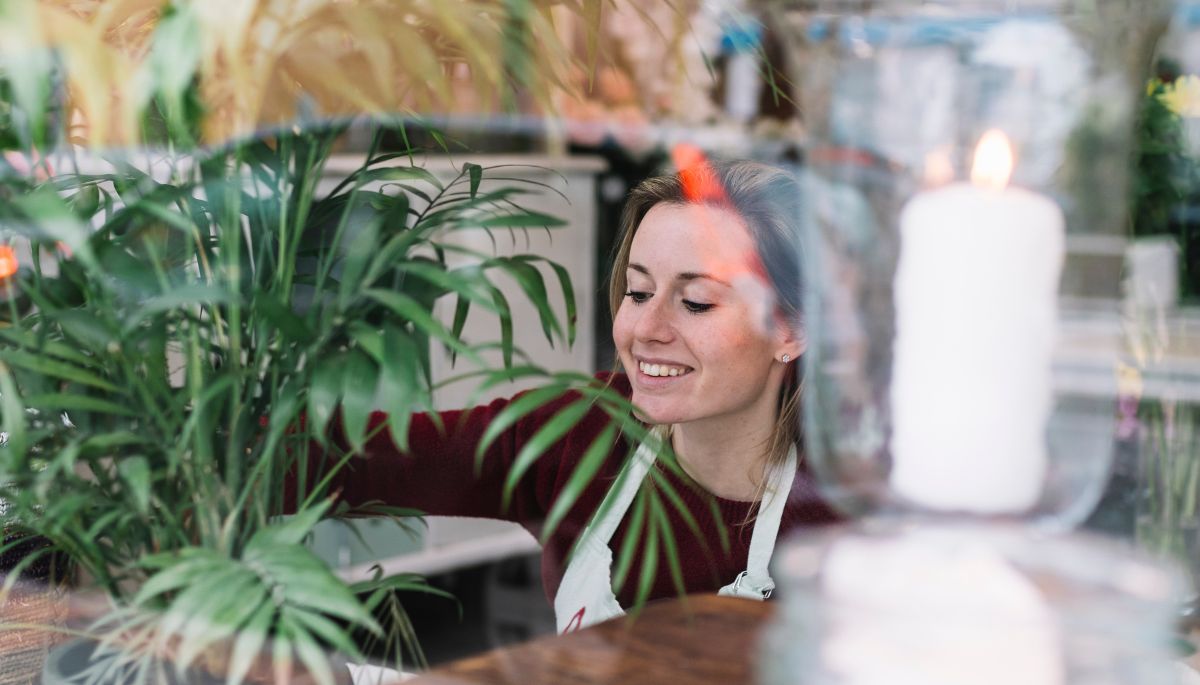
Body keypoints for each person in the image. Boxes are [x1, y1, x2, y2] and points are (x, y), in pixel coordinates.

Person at [314, 158, 840, 634]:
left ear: (791, 330)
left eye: (696, 302)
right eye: (637, 292)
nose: (645, 328)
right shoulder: (585, 434)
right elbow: (362, 459)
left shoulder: (851, 511)